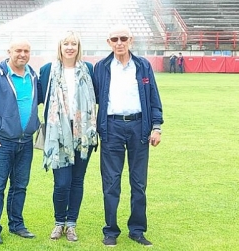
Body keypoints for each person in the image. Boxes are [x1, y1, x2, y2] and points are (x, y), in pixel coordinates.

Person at [92, 25, 163, 247]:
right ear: (109, 42)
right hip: (111, 128)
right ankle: (110, 231)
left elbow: (153, 97)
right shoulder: (101, 67)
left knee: (139, 183)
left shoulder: (143, 66)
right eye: (115, 38)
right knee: (111, 182)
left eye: (123, 38)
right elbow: (90, 98)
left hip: (139, 127)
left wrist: (157, 126)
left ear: (130, 40)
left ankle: (137, 230)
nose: (119, 42)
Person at [0, 38, 41, 245]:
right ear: (9, 52)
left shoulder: (32, 75)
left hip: (25, 141)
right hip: (2, 142)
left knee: (20, 186)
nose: (22, 54)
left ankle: (17, 225)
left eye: (26, 51)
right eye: (18, 50)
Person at [39, 31, 97, 242]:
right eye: (66, 44)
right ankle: (58, 222)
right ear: (60, 47)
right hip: (58, 133)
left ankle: (71, 224)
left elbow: (99, 96)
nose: (70, 47)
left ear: (79, 47)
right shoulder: (48, 70)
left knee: (77, 181)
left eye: (74, 44)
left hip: (83, 133)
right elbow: (36, 97)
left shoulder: (88, 69)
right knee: (62, 182)